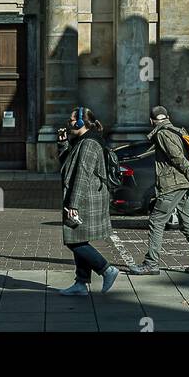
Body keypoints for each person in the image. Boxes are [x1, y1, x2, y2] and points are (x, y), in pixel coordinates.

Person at [127, 106, 189, 276]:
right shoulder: (179, 131)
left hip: (172, 185)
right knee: (188, 224)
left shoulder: (162, 133)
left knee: (156, 222)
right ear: (168, 117)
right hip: (184, 184)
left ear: (151, 121)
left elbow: (177, 158)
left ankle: (151, 263)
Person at [59, 107, 120, 296]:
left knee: (73, 240)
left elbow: (82, 176)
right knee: (79, 238)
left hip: (86, 198)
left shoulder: (89, 144)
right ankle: (81, 283)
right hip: (85, 197)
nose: (68, 123)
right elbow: (66, 165)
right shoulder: (81, 141)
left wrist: (73, 204)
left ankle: (106, 269)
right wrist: (62, 144)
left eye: (71, 120)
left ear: (80, 122)